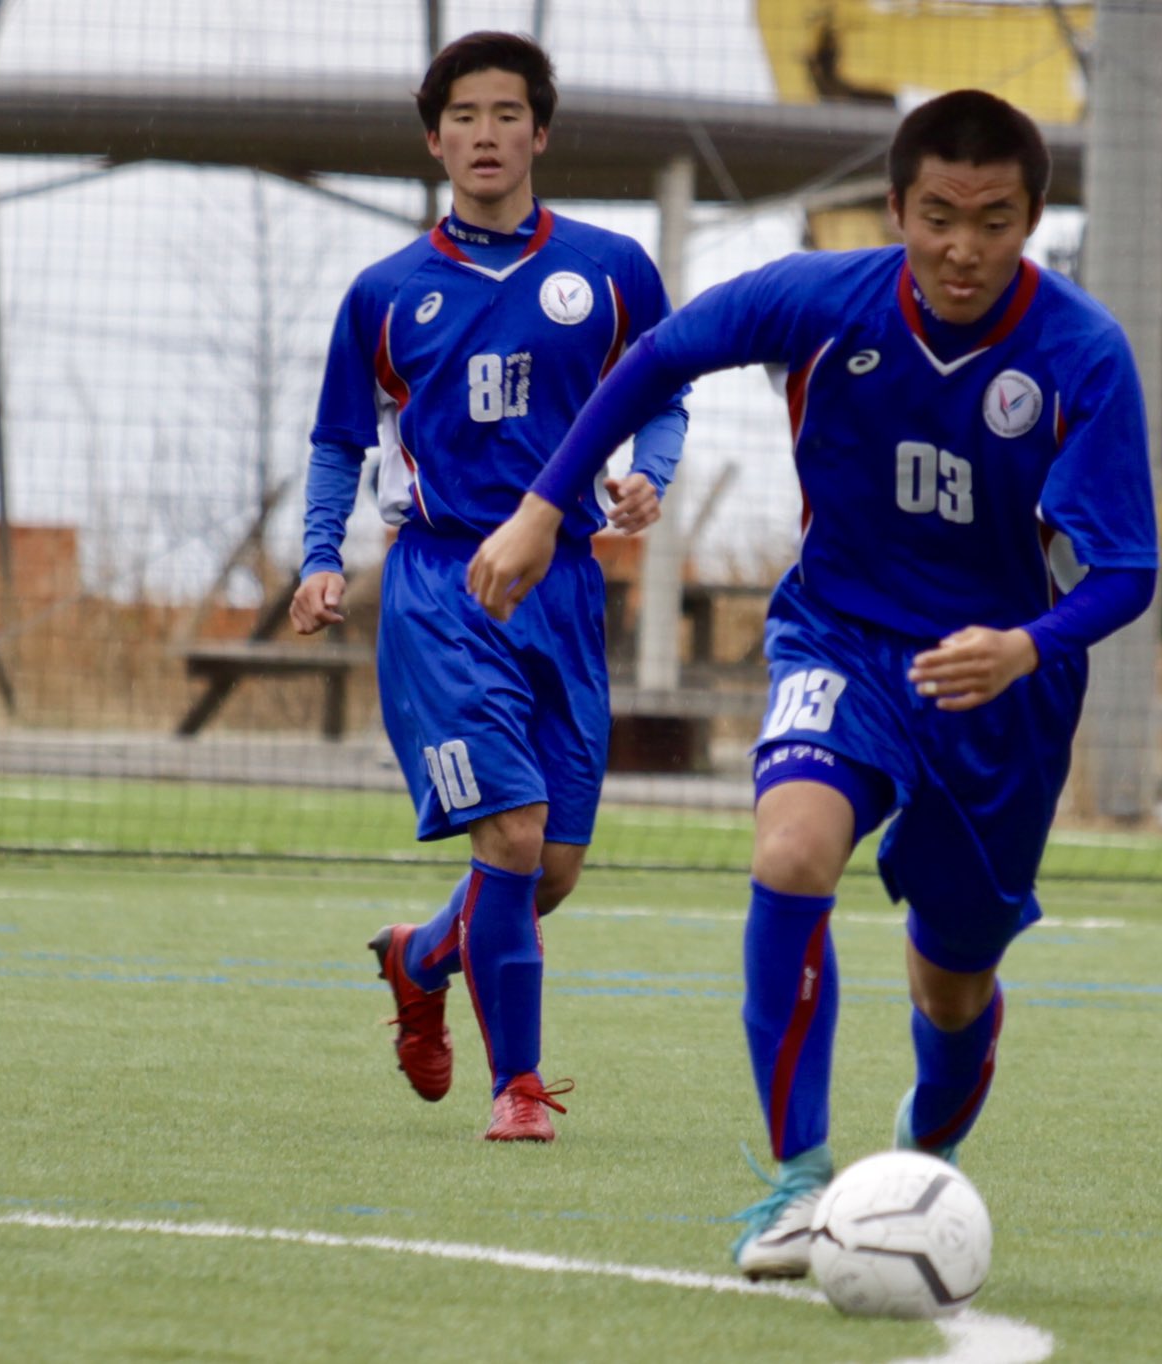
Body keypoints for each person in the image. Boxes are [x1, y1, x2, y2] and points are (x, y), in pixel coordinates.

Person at [467, 89, 1157, 1268]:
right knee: (790, 850)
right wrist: (543, 506)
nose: (961, 246)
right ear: (894, 208)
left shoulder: (1080, 354)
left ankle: (921, 1139)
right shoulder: (820, 300)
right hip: (838, 637)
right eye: (937, 215)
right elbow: (654, 357)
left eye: (993, 221)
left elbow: (1127, 568)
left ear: (1031, 221)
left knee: (951, 981)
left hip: (999, 695)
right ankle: (793, 1181)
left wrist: (1023, 647)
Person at [290, 31, 688, 1144]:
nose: (483, 133)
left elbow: (662, 395)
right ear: (434, 139)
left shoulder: (611, 270)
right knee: (509, 838)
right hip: (441, 590)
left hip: (562, 590)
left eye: (505, 113)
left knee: (549, 867)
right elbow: (337, 441)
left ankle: (420, 958)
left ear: (539, 133)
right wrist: (321, 554)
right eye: (462, 115)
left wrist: (646, 477)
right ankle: (519, 1086)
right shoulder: (384, 293)